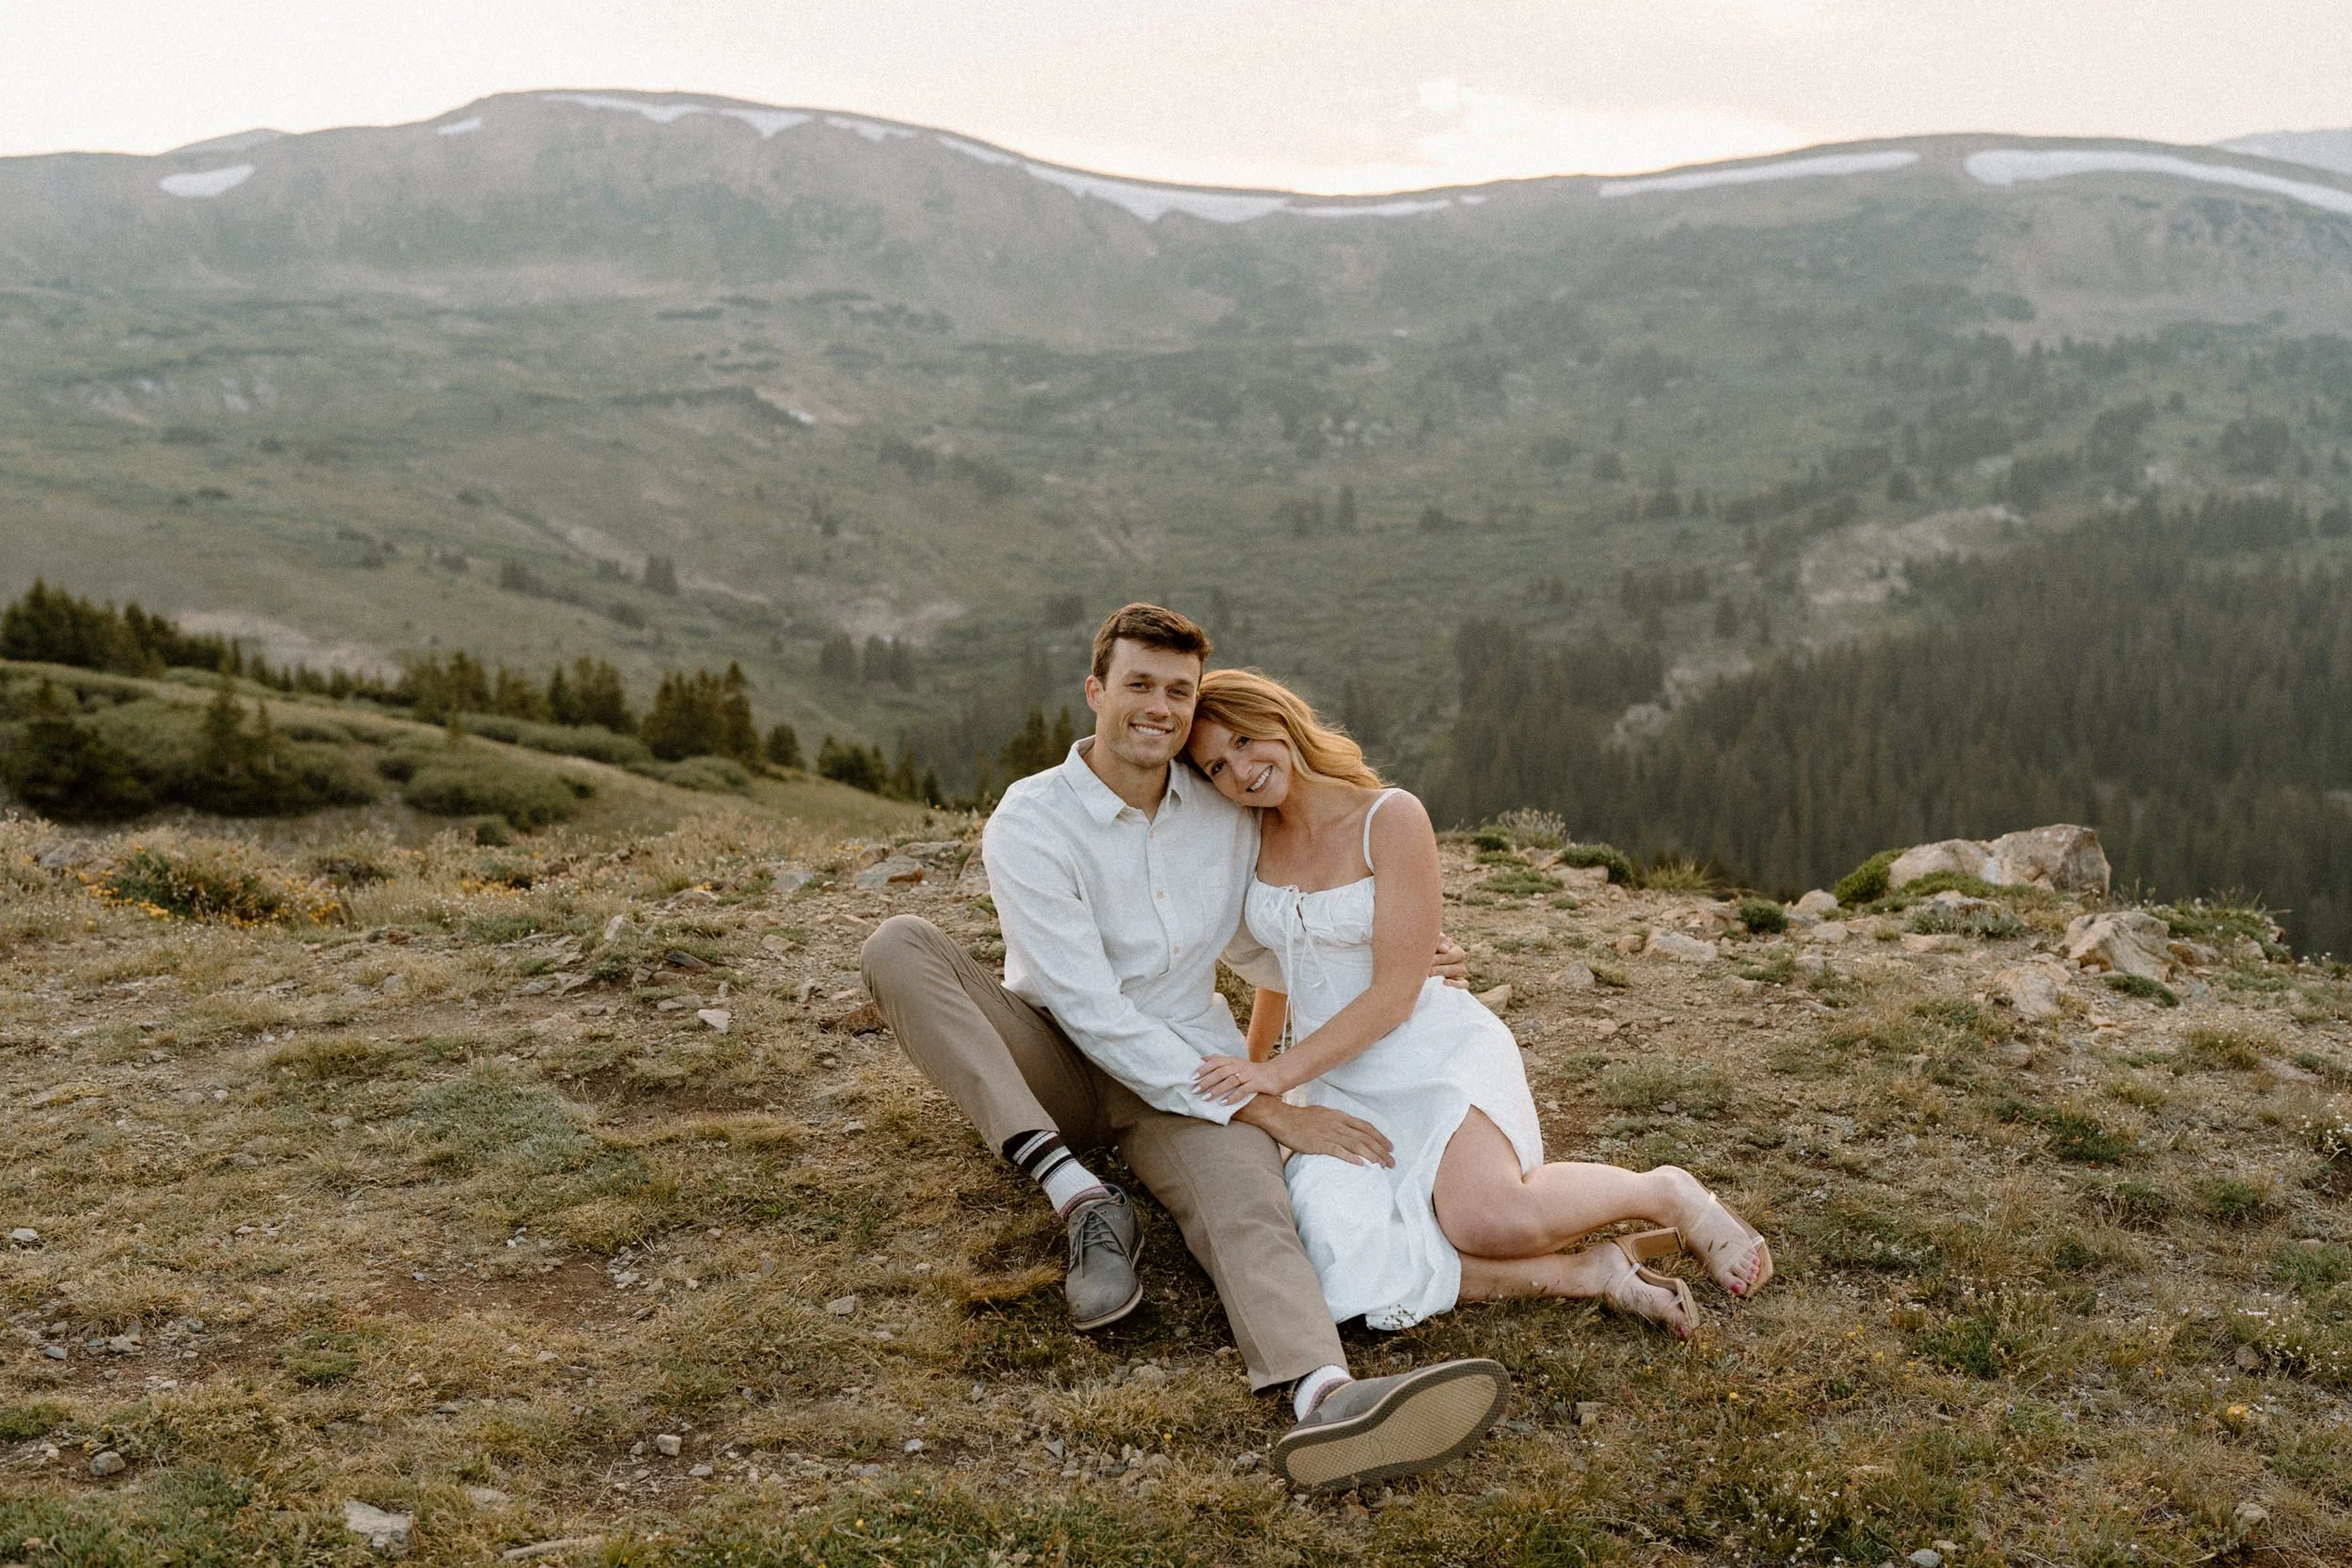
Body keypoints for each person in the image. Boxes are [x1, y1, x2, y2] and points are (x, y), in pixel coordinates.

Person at [861, 604, 1509, 1494]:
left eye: (1179, 689)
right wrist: (1265, 1101)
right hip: (1053, 1054)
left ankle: (1329, 1400)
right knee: (898, 943)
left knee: (1253, 1204)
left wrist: (1400, 948)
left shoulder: (1220, 810)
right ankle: (1078, 1193)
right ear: (1097, 691)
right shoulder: (1032, 819)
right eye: (1139, 684)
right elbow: (1086, 1005)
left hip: (1190, 1065)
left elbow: (1262, 939)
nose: (1160, 707)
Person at [1184, 668, 1773, 1339]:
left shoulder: (1389, 816)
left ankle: (1663, 1190)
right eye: (1216, 765)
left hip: (1430, 1049)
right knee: (1333, 1254)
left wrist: (1272, 1075)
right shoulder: (1251, 840)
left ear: (1281, 720)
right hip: (1337, 1082)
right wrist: (1255, 1082)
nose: (1241, 769)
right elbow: (1279, 970)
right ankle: (1586, 1273)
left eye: (1243, 739)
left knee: (1483, 1217)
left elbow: (1396, 993)